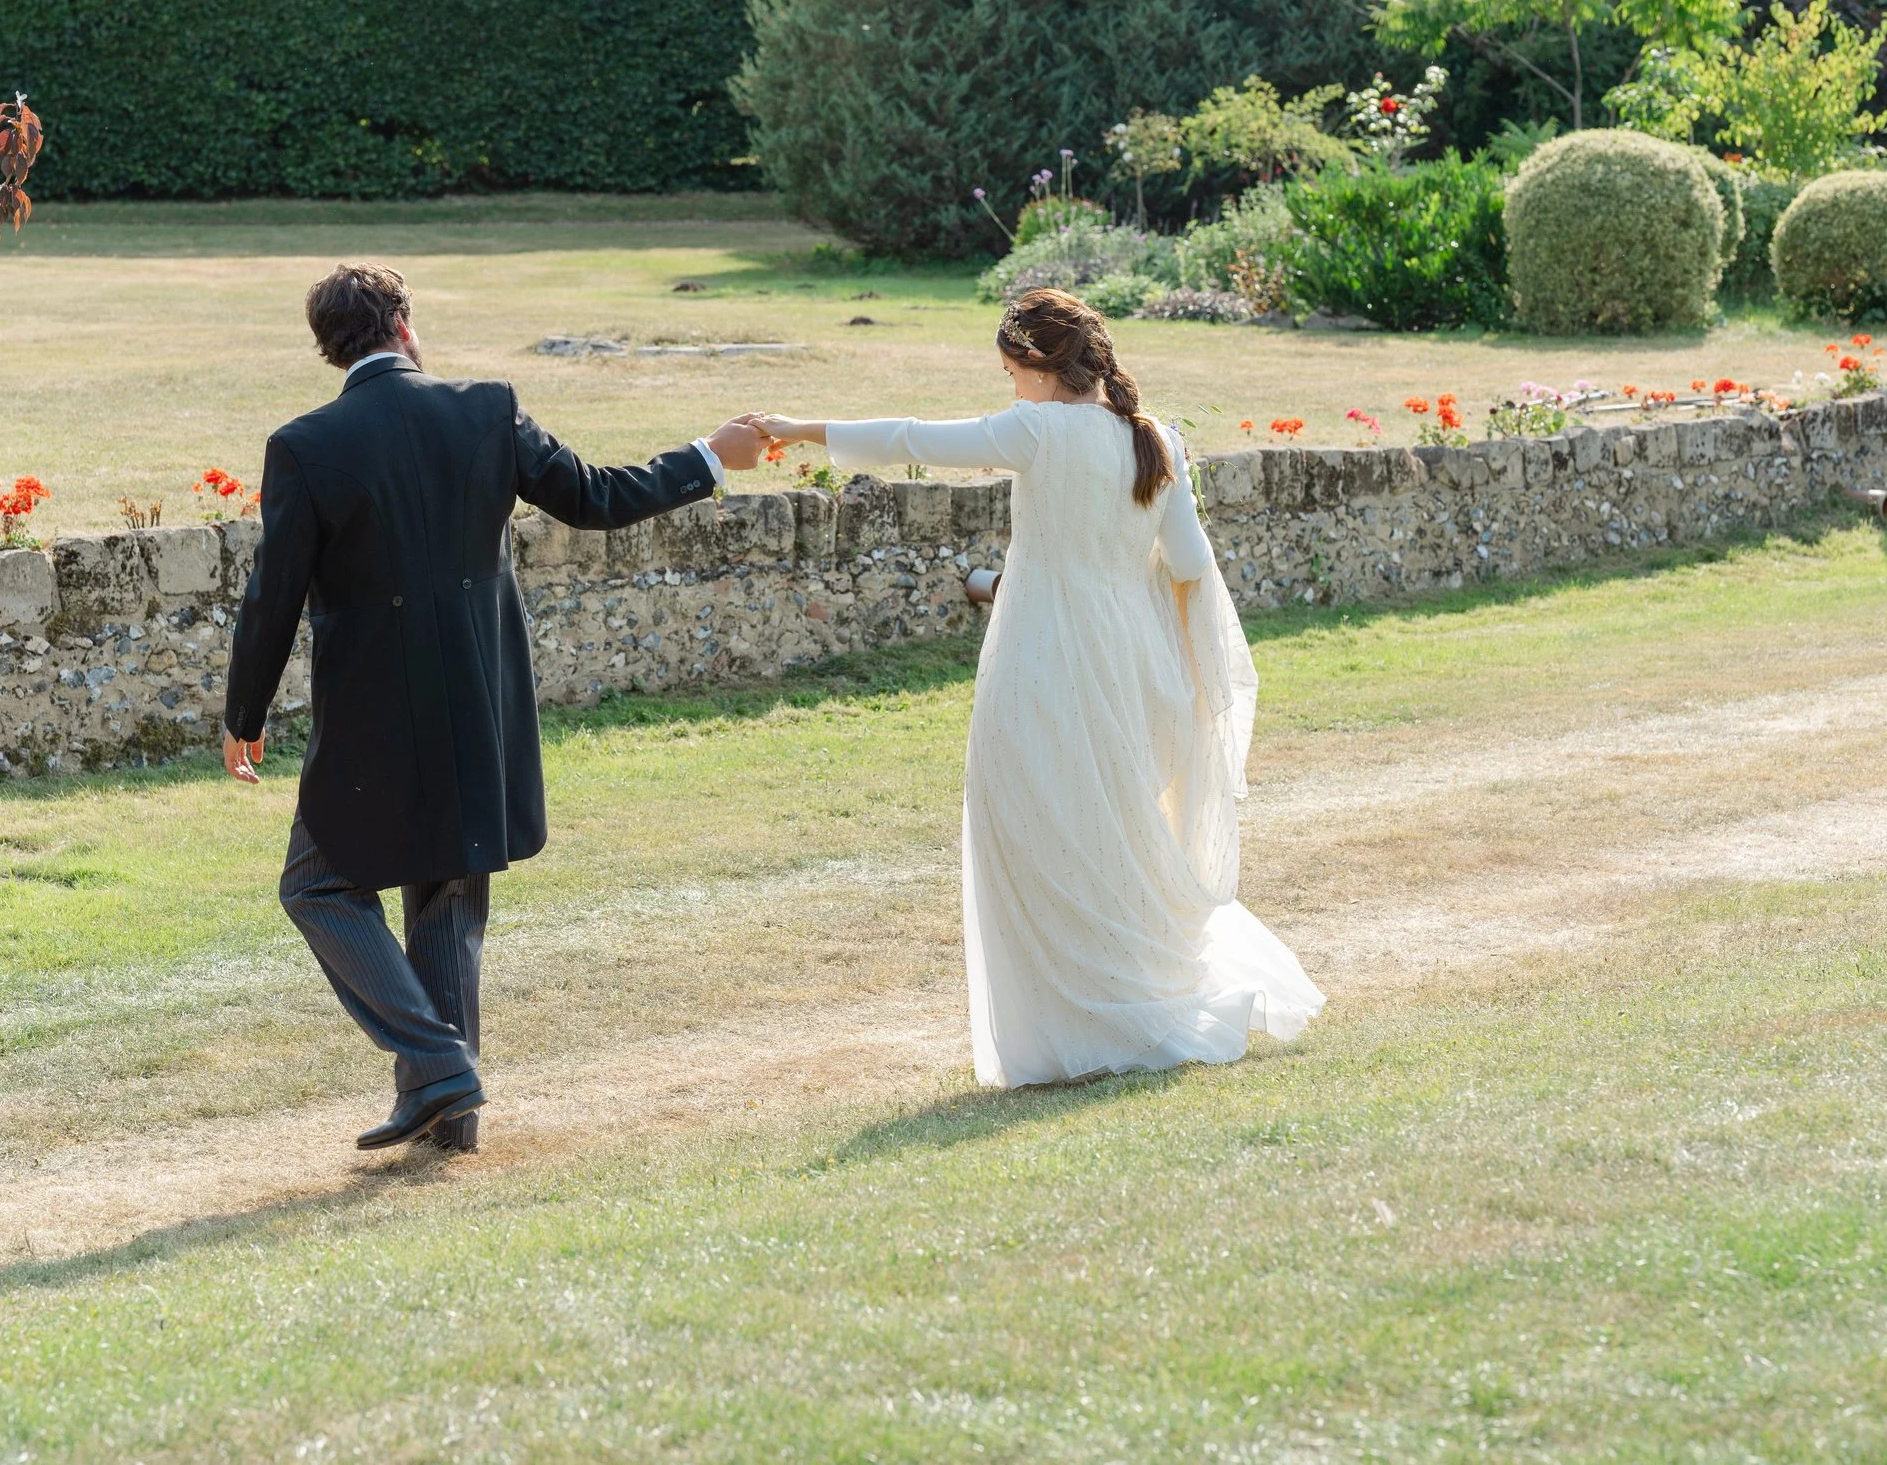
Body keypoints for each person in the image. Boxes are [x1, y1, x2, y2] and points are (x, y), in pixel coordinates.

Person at [222, 263, 765, 1153]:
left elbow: (270, 593)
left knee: (315, 884)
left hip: (371, 715)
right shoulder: (486, 408)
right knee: (445, 897)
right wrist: (707, 455)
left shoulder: (304, 445)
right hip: (478, 704)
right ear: (402, 323)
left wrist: (245, 711)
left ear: (330, 348)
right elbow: (596, 496)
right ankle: (450, 1113)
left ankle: (438, 1068)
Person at [750, 287, 1322, 1087]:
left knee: (1032, 826)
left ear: (1042, 369)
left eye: (1012, 372)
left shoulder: (1039, 430)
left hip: (1041, 656)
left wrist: (796, 426)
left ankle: (1071, 1028)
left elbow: (913, 437)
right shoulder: (1155, 438)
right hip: (1126, 659)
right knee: (1113, 826)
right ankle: (1115, 999)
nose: (1012, 387)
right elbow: (1191, 564)